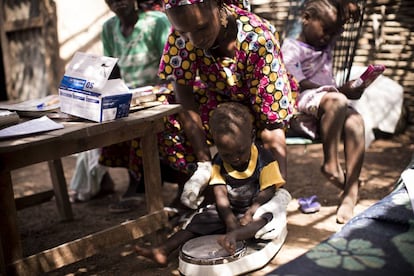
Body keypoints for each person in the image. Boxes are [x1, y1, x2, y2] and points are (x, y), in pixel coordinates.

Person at [157, 0, 295, 211]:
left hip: (260, 105)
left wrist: (278, 193)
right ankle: (201, 187)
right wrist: (204, 165)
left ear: (219, 7)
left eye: (202, 28)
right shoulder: (182, 35)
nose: (193, 39)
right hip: (219, 99)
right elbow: (184, 98)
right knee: (165, 113)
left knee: (268, 190)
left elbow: (272, 123)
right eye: (184, 32)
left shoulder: (258, 39)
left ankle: (260, 190)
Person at [134, 102, 291, 264]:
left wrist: (251, 211)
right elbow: (220, 192)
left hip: (256, 207)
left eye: (240, 152)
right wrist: (229, 218)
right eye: (227, 154)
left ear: (252, 136)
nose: (235, 158)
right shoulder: (218, 162)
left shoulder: (264, 159)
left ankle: (235, 235)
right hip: (228, 210)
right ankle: (163, 250)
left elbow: (269, 190)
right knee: (199, 220)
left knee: (265, 218)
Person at [69, 0, 178, 212]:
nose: (118, 2)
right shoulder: (109, 28)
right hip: (130, 96)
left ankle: (144, 185)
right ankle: (136, 180)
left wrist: (153, 92)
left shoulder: (156, 22)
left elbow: (170, 65)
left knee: (141, 122)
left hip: (160, 93)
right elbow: (113, 68)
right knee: (114, 117)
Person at [281, 0, 365, 223]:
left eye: (333, 32)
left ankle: (351, 191)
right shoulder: (291, 47)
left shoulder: (325, 44)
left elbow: (339, 22)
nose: (328, 36)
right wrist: (339, 90)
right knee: (338, 99)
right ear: (306, 19)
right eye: (325, 30)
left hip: (329, 111)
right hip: (302, 107)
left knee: (355, 121)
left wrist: (349, 12)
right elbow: (297, 83)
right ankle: (331, 164)